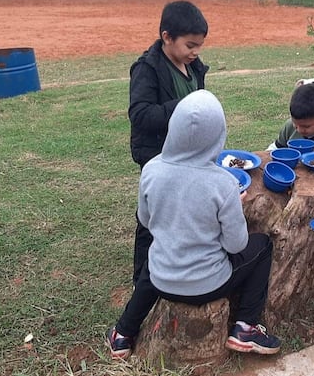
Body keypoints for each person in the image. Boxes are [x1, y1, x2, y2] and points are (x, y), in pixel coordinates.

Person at [106, 90, 282, 359]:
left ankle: (123, 333)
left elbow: (145, 220)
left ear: (173, 127)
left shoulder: (152, 169)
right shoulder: (223, 183)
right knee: (262, 246)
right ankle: (246, 326)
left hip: (161, 279)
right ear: (218, 135)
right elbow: (236, 244)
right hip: (208, 284)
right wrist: (234, 205)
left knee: (157, 260)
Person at [128, 0, 209, 284]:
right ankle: (142, 278)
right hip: (156, 155)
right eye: (190, 45)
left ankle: (174, 262)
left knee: (182, 209)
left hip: (187, 154)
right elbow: (139, 115)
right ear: (167, 37)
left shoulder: (195, 67)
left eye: (199, 45)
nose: (195, 52)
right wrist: (183, 106)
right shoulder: (147, 69)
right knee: (152, 217)